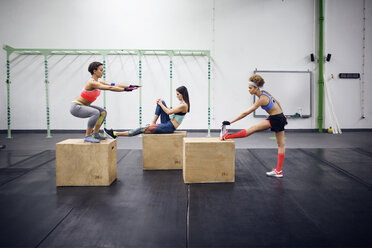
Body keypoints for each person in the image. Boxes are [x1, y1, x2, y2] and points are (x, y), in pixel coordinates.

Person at [221, 74, 287, 178]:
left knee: (253, 129)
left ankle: (226, 136)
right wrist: (281, 115)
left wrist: (230, 122)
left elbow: (245, 113)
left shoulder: (262, 99)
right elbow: (277, 102)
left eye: (250, 88)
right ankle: (279, 171)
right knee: (281, 145)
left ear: (256, 88)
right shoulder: (265, 93)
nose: (248, 90)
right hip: (278, 117)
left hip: (276, 118)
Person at [70, 61, 140, 143]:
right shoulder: (92, 83)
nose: (103, 72)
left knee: (103, 112)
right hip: (76, 107)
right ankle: (88, 135)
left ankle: (95, 133)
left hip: (84, 106)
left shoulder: (98, 82)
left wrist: (129, 86)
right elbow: (110, 88)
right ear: (94, 71)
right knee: (95, 112)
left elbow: (113, 84)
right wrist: (125, 90)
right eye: (101, 70)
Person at [104, 86, 190, 138]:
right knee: (162, 102)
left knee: (143, 129)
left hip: (169, 127)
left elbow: (168, 112)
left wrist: (160, 104)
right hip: (168, 122)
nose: (177, 96)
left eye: (178, 94)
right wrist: (161, 103)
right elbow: (171, 113)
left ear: (183, 94)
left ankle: (116, 134)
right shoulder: (183, 104)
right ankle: (153, 122)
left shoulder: (184, 105)